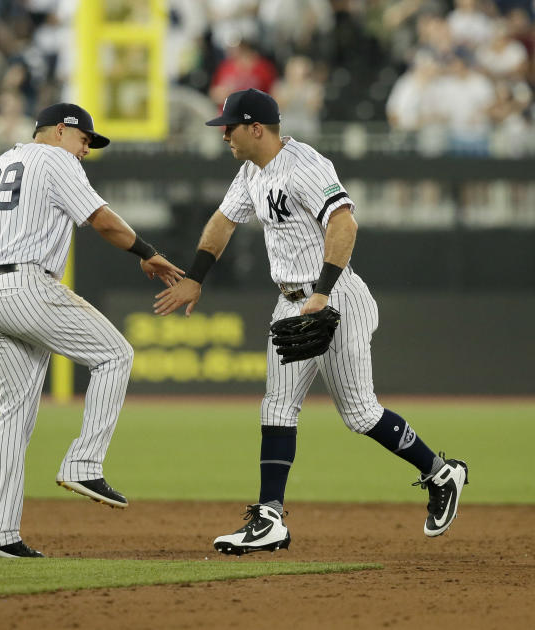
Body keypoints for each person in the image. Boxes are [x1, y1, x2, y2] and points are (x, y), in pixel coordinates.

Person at [153, 88, 468, 555]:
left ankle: (441, 473)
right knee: (276, 408)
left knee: (360, 413)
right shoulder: (251, 172)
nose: (224, 136)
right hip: (290, 299)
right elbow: (221, 222)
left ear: (256, 128)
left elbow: (345, 225)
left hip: (335, 295)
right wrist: (196, 278)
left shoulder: (305, 165)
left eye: (230, 127)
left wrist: (322, 292)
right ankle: (269, 517)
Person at [0, 103, 184, 558]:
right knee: (115, 355)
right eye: (85, 140)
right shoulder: (55, 158)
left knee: (13, 416)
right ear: (61, 131)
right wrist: (146, 251)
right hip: (28, 283)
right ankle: (84, 462)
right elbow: (101, 219)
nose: (85, 150)